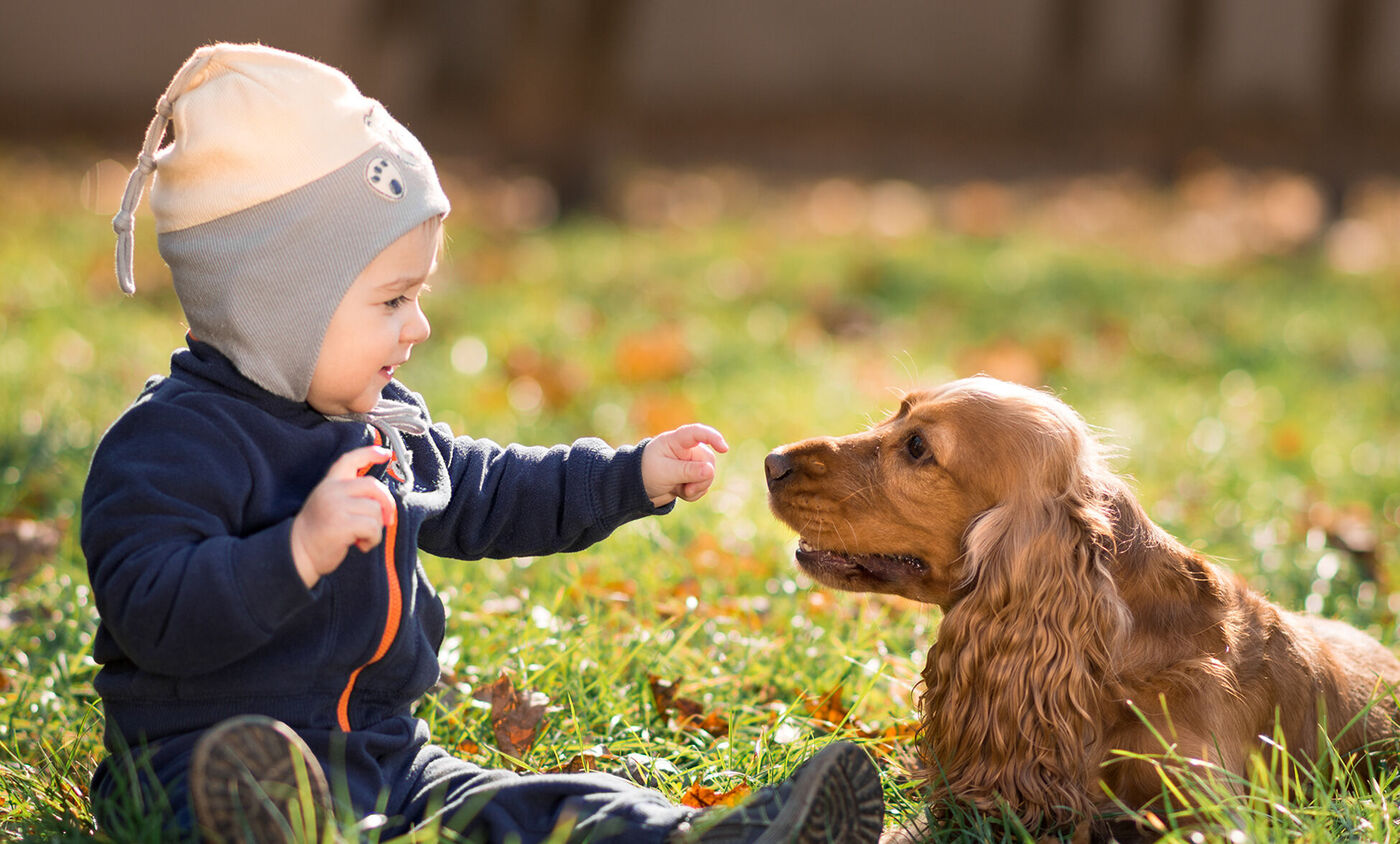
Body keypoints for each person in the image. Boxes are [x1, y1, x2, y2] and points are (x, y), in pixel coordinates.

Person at [83, 43, 884, 844]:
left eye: (417, 296)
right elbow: (153, 613)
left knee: (543, 805)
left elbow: (490, 490)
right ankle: (268, 826)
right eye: (392, 299)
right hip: (190, 764)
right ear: (277, 306)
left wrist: (630, 475)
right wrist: (295, 550)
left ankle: (696, 838)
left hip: (385, 757)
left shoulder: (381, 422)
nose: (419, 326)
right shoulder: (167, 446)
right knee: (244, 807)